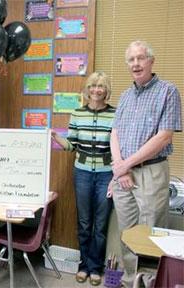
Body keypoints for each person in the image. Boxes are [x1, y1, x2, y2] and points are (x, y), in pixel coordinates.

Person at [110, 40, 182, 287]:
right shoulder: (125, 96)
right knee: (127, 233)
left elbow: (164, 137)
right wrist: (120, 167)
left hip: (151, 172)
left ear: (151, 61)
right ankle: (129, 280)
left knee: (152, 233)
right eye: (131, 59)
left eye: (141, 58)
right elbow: (115, 132)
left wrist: (125, 164)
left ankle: (150, 282)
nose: (136, 64)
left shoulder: (168, 91)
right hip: (123, 174)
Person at [51, 72, 115, 286]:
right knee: (84, 222)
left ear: (107, 90)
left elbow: (118, 147)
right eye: (93, 86)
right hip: (82, 174)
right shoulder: (77, 113)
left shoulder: (116, 113)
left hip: (107, 174)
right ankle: (84, 266)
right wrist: (56, 137)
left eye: (101, 86)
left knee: (100, 223)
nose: (97, 90)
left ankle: (96, 267)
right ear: (88, 89)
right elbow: (72, 145)